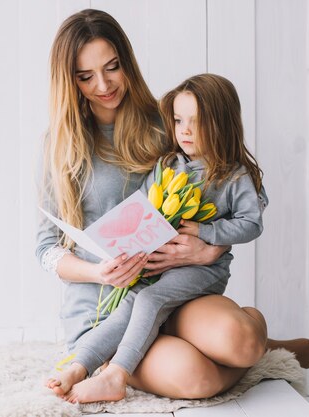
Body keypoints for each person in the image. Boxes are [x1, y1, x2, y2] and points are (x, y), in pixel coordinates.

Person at [36, 8, 309, 404]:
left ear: (128, 62)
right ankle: (267, 353)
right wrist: (100, 272)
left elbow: (237, 187)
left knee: (241, 341)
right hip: (107, 311)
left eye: (112, 67)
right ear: (68, 80)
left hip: (179, 292)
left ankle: (257, 340)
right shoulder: (61, 144)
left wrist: (212, 245)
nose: (103, 85)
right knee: (197, 377)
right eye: (85, 76)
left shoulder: (170, 121)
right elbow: (45, 249)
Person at [52, 73, 269, 403]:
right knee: (130, 304)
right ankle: (79, 365)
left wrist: (207, 236)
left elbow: (251, 223)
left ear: (222, 124)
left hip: (200, 273)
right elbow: (144, 204)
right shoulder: (168, 163)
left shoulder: (232, 174)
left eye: (196, 122)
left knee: (149, 301)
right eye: (179, 120)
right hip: (156, 271)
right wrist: (130, 242)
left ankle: (116, 375)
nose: (184, 130)